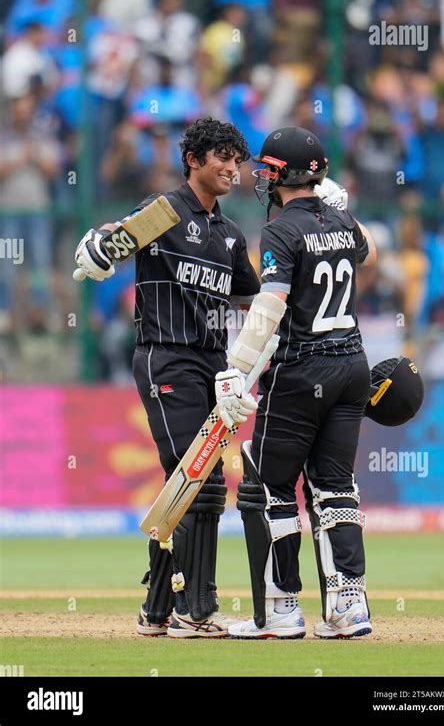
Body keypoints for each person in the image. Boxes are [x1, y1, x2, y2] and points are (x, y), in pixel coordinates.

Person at [74, 117, 260, 638]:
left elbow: (258, 298)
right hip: (165, 358)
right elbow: (112, 242)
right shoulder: (163, 213)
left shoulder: (227, 234)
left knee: (183, 485)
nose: (231, 168)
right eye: (221, 157)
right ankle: (194, 610)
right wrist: (97, 247)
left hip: (212, 367)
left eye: (237, 159)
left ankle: (157, 610)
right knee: (200, 481)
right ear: (193, 161)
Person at [213, 126, 378, 639]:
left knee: (271, 487)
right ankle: (350, 608)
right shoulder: (345, 222)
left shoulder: (283, 230)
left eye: (267, 170)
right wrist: (334, 207)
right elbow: (367, 248)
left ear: (282, 175)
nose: (260, 178)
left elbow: (268, 308)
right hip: (352, 366)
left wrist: (236, 371)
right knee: (335, 489)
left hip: (300, 369)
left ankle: (281, 610)